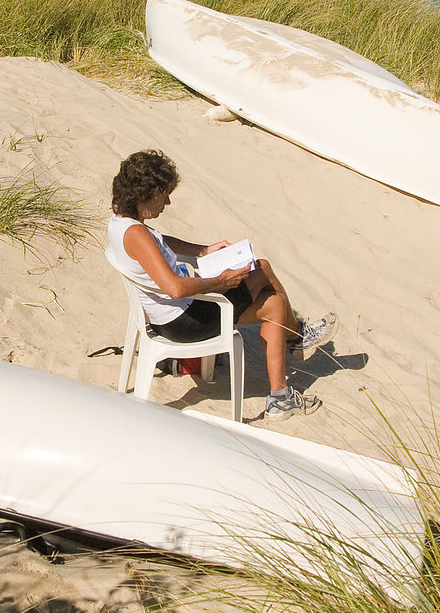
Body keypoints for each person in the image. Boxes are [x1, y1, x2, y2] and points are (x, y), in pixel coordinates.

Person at [106, 149, 336, 418]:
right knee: (261, 268)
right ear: (143, 194)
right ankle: (296, 339)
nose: (167, 202)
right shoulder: (136, 233)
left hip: (171, 314)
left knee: (273, 303)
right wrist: (221, 280)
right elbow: (176, 288)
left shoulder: (121, 223)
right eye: (163, 194)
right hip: (184, 322)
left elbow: (159, 243)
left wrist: (202, 251)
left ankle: (282, 391)